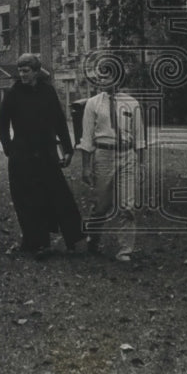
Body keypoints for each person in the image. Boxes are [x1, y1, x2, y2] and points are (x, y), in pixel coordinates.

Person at [0, 53, 83, 258]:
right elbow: (2, 123)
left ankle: (76, 239)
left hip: (46, 154)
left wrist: (68, 150)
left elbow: (60, 122)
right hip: (22, 156)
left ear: (35, 71)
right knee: (26, 199)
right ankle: (35, 241)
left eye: (26, 71)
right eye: (20, 71)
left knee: (58, 196)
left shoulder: (48, 92)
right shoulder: (14, 93)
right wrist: (9, 147)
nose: (22, 74)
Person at [78, 81, 146, 262]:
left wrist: (141, 165)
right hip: (103, 156)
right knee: (101, 206)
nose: (102, 80)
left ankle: (125, 250)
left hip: (127, 156)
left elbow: (139, 137)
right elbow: (86, 138)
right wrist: (86, 167)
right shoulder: (93, 103)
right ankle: (93, 240)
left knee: (127, 206)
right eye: (100, 75)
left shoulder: (132, 103)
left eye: (108, 75)